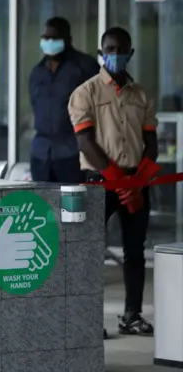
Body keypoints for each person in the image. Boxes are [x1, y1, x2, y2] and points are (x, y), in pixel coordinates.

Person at [68, 27, 158, 337]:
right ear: (100, 53)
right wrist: (116, 179)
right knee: (91, 250)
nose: (115, 54)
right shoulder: (86, 93)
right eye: (110, 48)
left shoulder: (142, 95)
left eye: (121, 49)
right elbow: (86, 143)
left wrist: (141, 177)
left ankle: (132, 315)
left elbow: (151, 141)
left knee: (135, 250)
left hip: (136, 182)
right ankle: (89, 319)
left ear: (130, 54)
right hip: (100, 185)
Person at [29, 17, 100, 183]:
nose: (50, 42)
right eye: (46, 38)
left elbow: (100, 106)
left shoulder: (85, 67)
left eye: (55, 38)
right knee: (43, 206)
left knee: (72, 206)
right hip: (41, 153)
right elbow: (35, 105)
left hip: (73, 152)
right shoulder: (37, 72)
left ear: (68, 39)